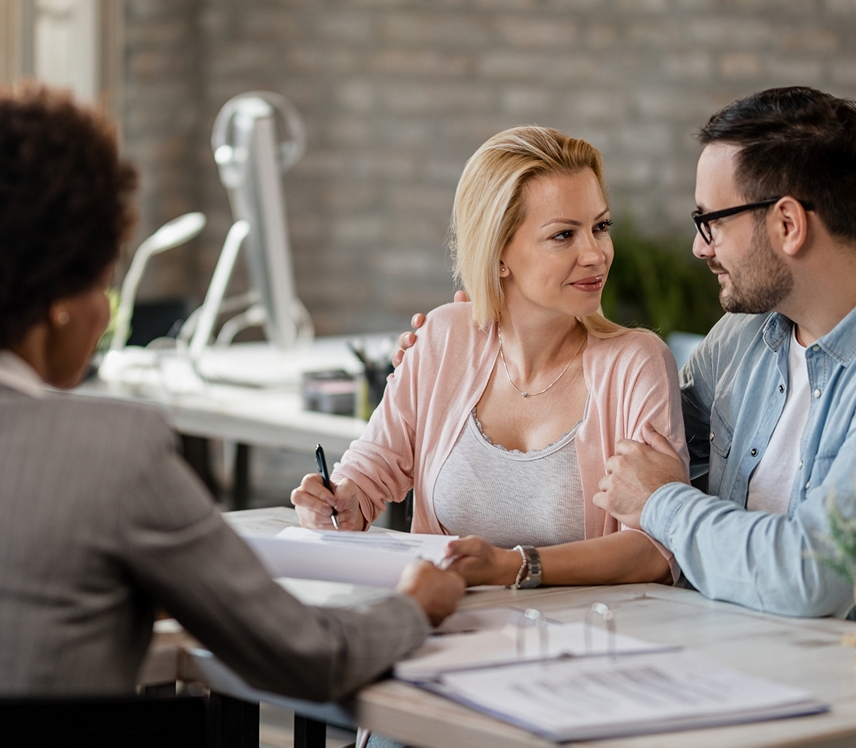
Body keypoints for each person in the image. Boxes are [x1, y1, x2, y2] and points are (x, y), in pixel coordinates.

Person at [0, 81, 463, 700]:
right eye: (100, 282)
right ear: (58, 303)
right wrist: (414, 605)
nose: (104, 311)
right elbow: (308, 657)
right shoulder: (113, 450)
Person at [398, 88, 856, 650]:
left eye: (711, 221)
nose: (699, 247)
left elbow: (809, 577)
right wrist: (485, 358)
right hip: (719, 673)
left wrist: (664, 501)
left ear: (787, 225)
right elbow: (618, 447)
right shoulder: (747, 336)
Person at [292, 126, 687, 589]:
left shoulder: (637, 365)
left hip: (585, 640)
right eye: (563, 235)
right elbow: (369, 473)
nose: (596, 254)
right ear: (499, 253)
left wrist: (514, 567)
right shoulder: (442, 338)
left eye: (600, 227)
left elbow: (655, 547)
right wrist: (336, 504)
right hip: (446, 630)